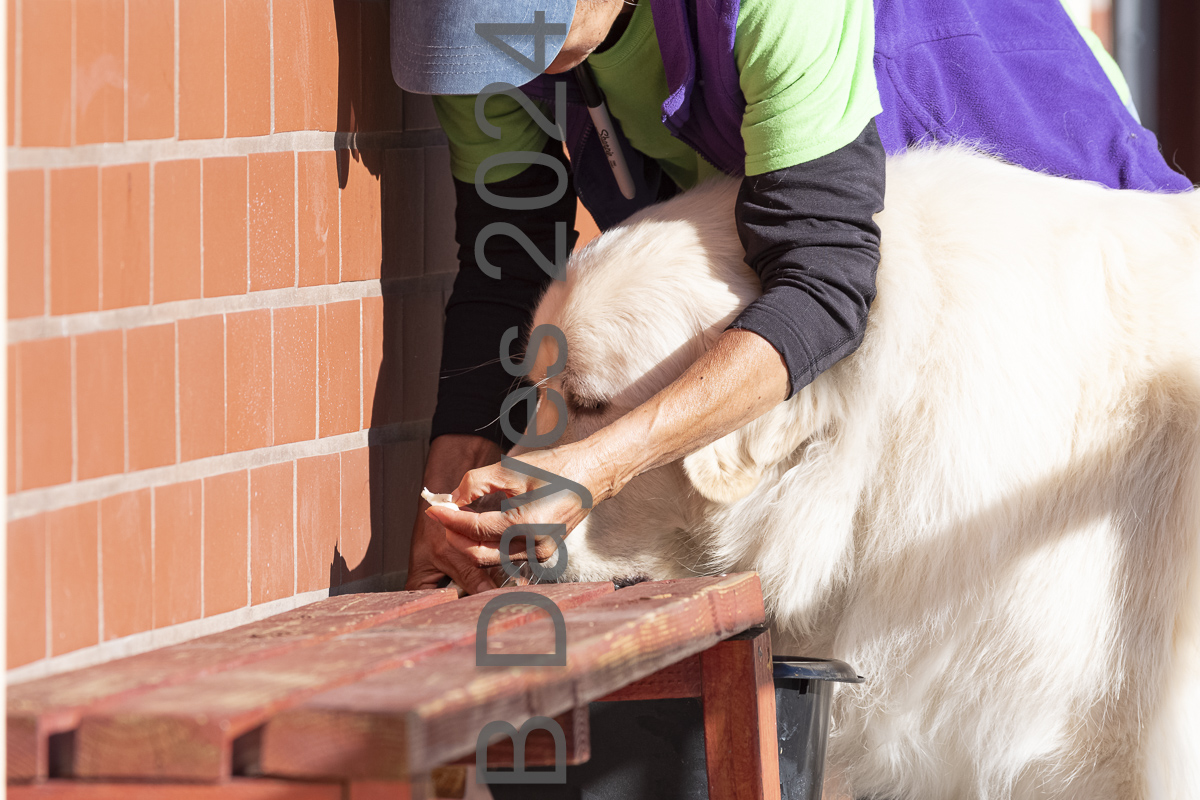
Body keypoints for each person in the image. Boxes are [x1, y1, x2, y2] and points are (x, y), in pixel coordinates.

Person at [392, 0, 1191, 596]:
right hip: (835, 264)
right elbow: (508, 258)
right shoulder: (485, 46)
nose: (508, 57)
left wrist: (600, 464)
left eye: (524, 20)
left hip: (1032, 239)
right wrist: (454, 492)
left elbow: (822, 282)